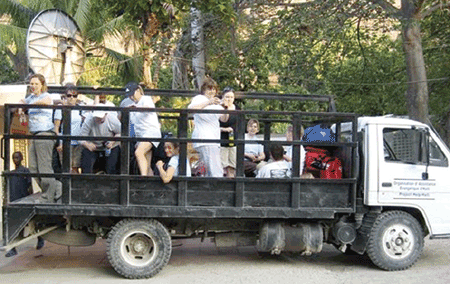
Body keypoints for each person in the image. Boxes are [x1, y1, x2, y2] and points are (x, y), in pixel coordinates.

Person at [19, 73, 62, 202]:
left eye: (36, 84)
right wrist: (22, 107)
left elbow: (45, 102)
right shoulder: (30, 98)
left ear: (42, 85)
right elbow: (22, 101)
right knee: (32, 167)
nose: (33, 86)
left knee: (44, 166)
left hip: (45, 133)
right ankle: (57, 186)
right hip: (34, 134)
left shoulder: (46, 96)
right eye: (31, 84)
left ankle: (47, 196)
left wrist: (29, 105)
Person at [188, 77, 232, 177]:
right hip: (205, 139)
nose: (212, 91)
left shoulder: (216, 103)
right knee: (215, 170)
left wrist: (226, 107)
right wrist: (209, 102)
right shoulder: (199, 98)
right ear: (204, 90)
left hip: (213, 140)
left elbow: (224, 119)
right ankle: (218, 189)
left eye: (213, 89)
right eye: (209, 89)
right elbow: (190, 109)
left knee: (207, 171)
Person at [5, 152, 45, 257]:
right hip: (14, 202)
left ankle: (40, 238)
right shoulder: (11, 173)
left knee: (32, 224)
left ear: (22, 158)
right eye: (14, 157)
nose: (15, 159)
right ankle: (13, 248)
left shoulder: (25, 171)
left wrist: (30, 199)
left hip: (24, 201)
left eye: (17, 157)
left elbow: (29, 186)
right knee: (16, 227)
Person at [125, 82, 162, 176]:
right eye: (129, 96)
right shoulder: (133, 105)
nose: (131, 97)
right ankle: (150, 184)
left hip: (151, 133)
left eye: (132, 94)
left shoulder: (146, 99)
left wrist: (135, 107)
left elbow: (148, 108)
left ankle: (143, 179)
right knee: (146, 163)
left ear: (138, 91)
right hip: (142, 136)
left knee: (139, 153)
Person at [80, 107, 121, 174]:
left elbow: (120, 132)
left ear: (106, 114)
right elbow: (81, 137)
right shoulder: (89, 120)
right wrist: (87, 144)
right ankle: (86, 181)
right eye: (97, 117)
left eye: (101, 118)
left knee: (112, 167)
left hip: (110, 146)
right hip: (93, 146)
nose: (99, 120)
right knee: (87, 162)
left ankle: (112, 181)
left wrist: (112, 141)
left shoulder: (112, 119)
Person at [56, 84, 85, 173]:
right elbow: (56, 128)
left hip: (78, 143)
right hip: (65, 142)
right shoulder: (60, 109)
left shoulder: (80, 108)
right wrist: (60, 142)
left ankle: (77, 186)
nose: (71, 98)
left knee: (76, 167)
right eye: (69, 95)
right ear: (65, 96)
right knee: (67, 169)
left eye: (74, 96)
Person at [219, 87, 239, 178]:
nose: (229, 99)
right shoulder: (219, 108)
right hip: (222, 139)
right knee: (223, 164)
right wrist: (224, 129)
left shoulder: (237, 108)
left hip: (234, 139)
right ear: (223, 97)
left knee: (233, 164)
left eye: (231, 97)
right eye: (227, 97)